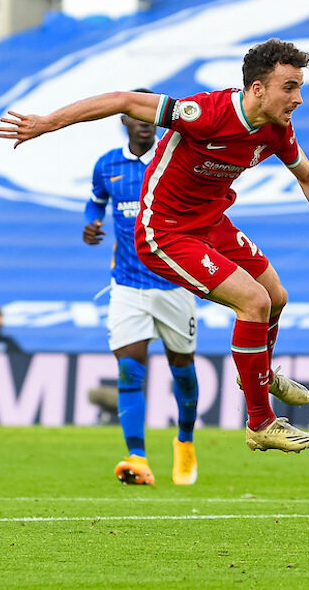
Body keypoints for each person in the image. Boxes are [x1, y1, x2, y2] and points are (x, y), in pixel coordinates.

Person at [0, 39, 309, 454]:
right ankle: (261, 422)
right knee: (254, 303)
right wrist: (48, 123)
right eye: (290, 87)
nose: (298, 98)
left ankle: (258, 374)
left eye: (299, 87)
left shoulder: (277, 130)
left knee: (277, 297)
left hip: (211, 223)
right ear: (258, 88)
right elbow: (122, 99)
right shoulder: (205, 113)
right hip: (165, 230)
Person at [83, 92, 206, 485]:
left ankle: (184, 441)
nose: (144, 121)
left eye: (150, 115)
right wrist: (91, 225)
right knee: (129, 370)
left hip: (174, 282)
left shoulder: (174, 159)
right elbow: (95, 202)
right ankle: (137, 457)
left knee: (182, 370)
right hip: (127, 285)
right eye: (136, 115)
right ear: (124, 120)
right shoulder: (107, 165)